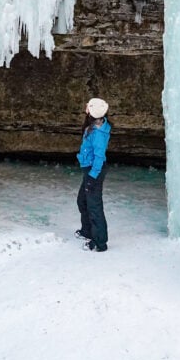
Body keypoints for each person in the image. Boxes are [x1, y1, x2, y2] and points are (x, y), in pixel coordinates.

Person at [75, 97, 111, 252]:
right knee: (82, 201)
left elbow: (99, 157)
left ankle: (99, 242)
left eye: (88, 107)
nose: (85, 108)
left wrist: (92, 176)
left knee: (94, 207)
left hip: (94, 171)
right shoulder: (94, 126)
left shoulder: (98, 134)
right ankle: (87, 231)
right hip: (89, 169)